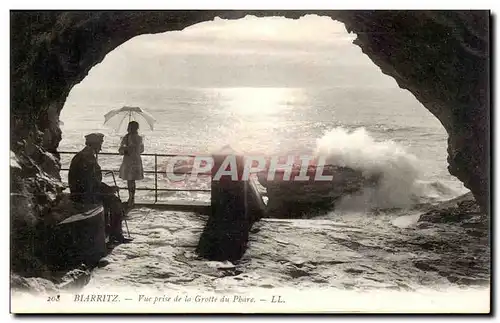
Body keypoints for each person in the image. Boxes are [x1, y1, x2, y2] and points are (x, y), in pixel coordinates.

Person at [68, 133, 131, 243]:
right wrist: (109, 190)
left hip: (81, 191)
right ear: (94, 144)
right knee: (115, 201)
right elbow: (91, 182)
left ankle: (111, 233)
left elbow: (92, 181)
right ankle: (115, 234)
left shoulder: (84, 155)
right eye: (100, 144)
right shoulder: (88, 158)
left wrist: (107, 188)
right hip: (84, 194)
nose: (101, 148)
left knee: (111, 198)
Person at [118, 121, 144, 208]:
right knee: (132, 181)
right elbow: (141, 150)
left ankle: (131, 199)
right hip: (136, 160)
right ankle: (132, 198)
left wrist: (126, 148)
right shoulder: (140, 138)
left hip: (129, 161)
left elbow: (121, 151)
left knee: (130, 180)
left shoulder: (126, 137)